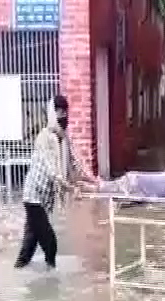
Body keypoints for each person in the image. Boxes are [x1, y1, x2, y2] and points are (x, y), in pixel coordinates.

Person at [15, 95, 99, 269]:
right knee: (50, 243)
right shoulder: (43, 138)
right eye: (60, 112)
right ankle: (51, 282)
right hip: (33, 198)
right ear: (53, 113)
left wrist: (94, 180)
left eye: (65, 112)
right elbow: (53, 172)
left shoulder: (65, 139)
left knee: (29, 246)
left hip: (45, 200)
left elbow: (76, 165)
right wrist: (70, 188)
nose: (64, 116)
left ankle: (22, 276)